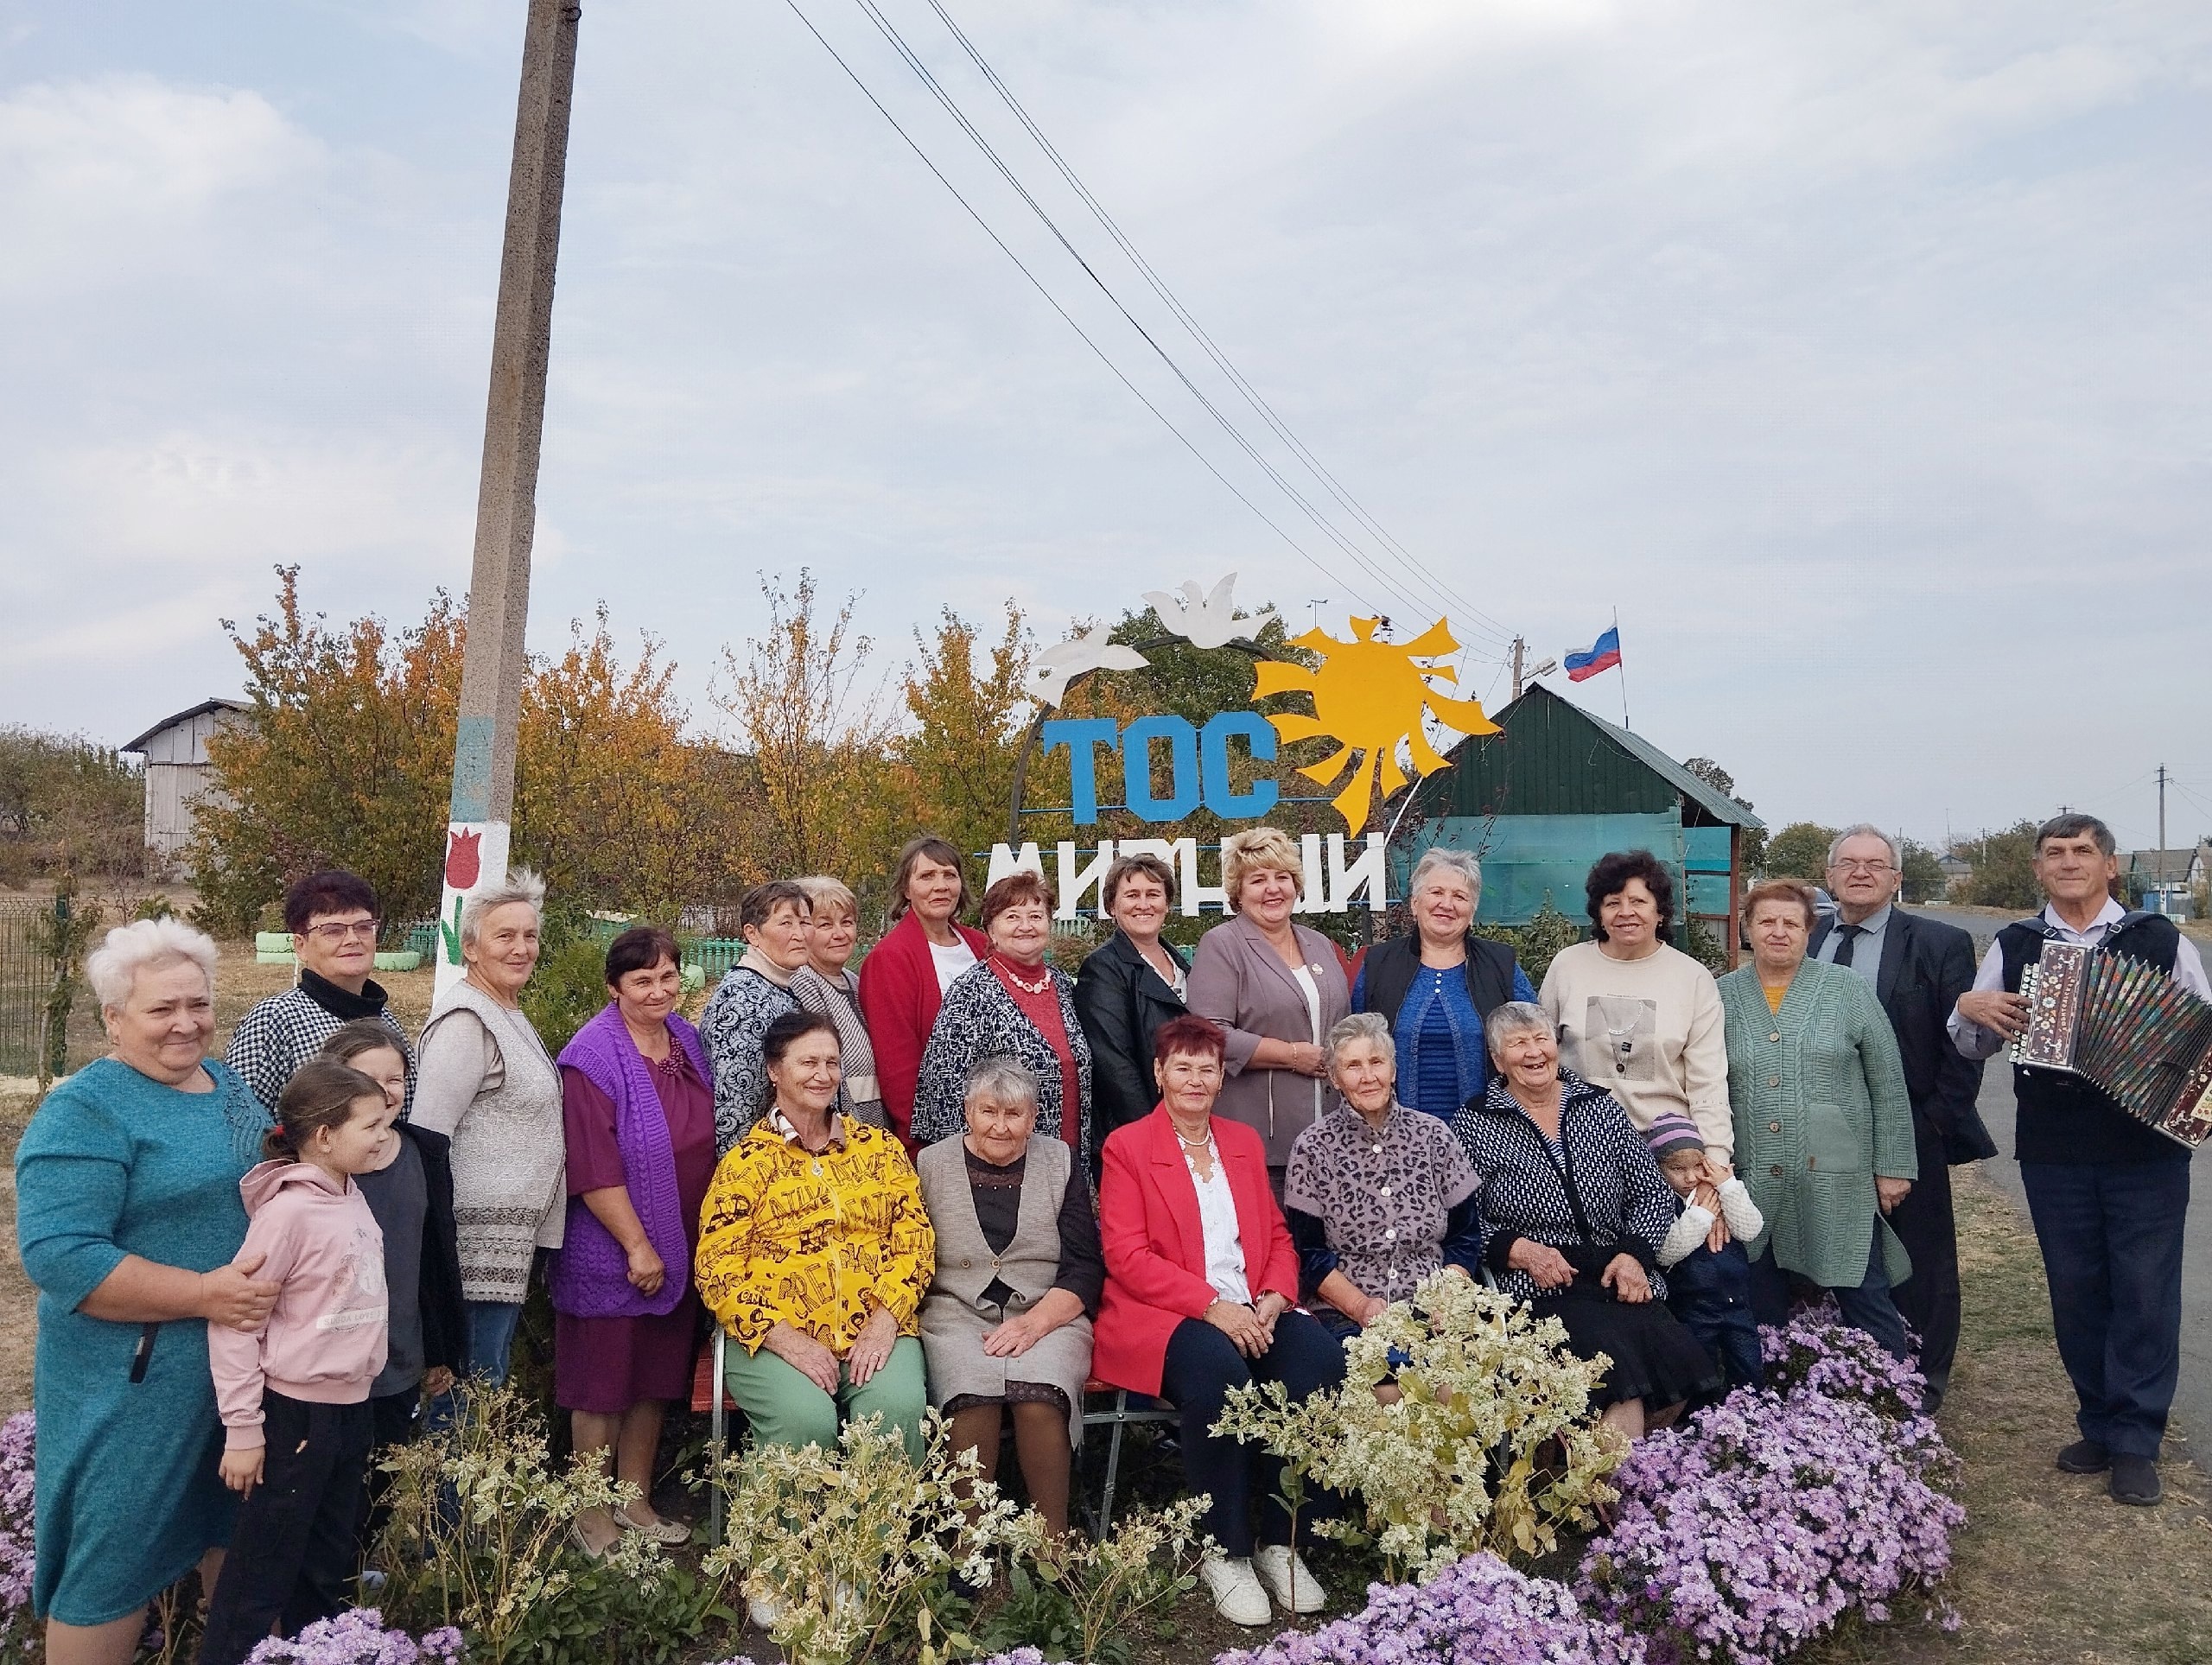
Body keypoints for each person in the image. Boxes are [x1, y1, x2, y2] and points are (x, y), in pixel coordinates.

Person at [13, 919, 275, 1665]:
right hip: (130, 1381)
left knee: (234, 1534)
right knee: (112, 1564)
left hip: (233, 1375)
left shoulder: (226, 1082)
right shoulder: (86, 1110)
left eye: (197, 1003)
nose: (186, 1023)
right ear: (113, 1018)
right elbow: (65, 1258)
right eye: (162, 1009)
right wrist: (205, 1294)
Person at [1949, 812, 2212, 1507]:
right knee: (2077, 1288)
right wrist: (1970, 1009)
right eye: (2056, 852)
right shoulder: (2017, 942)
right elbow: (1974, 1045)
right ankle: (2097, 1420)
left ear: (2111, 864)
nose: (2069, 862)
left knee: (2145, 1291)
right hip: (2055, 1151)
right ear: (2038, 868)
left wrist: (2191, 1105)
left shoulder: (2158, 940)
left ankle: (2135, 1440)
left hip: (2147, 1151)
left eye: (2083, 851)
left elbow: (2203, 1038)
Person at [1093, 1015, 1344, 1628]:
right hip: (1168, 1312)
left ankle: (1284, 1539)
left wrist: (1275, 1295)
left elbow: (1279, 1237)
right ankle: (1225, 1548)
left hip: (1255, 1304)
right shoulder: (1128, 1146)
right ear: (1159, 1073)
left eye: (1207, 1066)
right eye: (1182, 1066)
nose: (1196, 1078)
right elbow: (1126, 1255)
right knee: (1222, 1376)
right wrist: (1212, 1305)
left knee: (1321, 1366)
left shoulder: (1241, 1141)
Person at [200, 1061, 397, 1665]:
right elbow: (236, 1318)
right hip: (294, 1420)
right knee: (260, 1575)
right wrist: (242, 1427)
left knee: (327, 1567)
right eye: (372, 1124)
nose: (384, 1135)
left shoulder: (351, 1194)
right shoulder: (286, 1213)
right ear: (324, 1135)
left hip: (348, 1413)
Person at [1454, 1002, 1719, 1439]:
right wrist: (1519, 1251)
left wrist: (1633, 1255)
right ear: (1498, 1060)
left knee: (1682, 1373)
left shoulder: (1598, 1105)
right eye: (1517, 1044)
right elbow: (1461, 1218)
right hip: (1541, 1286)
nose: (1533, 1052)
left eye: (1541, 1039)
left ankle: (1596, 1474)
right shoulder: (1475, 1120)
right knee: (1625, 1389)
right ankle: (1606, 1498)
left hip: (1616, 1276)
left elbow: (1652, 1191)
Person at [696, 1010, 934, 1465]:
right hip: (775, 1335)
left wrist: (886, 1321)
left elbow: (915, 1240)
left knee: (895, 1410)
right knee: (805, 1424)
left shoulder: (879, 1149)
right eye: (808, 1063)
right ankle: (785, 1538)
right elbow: (717, 1271)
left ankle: (876, 1537)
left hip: (877, 1323)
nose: (823, 1075)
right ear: (774, 1070)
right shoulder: (745, 1163)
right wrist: (788, 1340)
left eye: (831, 1063)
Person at [1811, 824, 1993, 1408]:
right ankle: (1841, 1355)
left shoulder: (1941, 943)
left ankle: (1925, 1369)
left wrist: (1934, 1122)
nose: (1861, 872)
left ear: (1896, 878)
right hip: (1822, 1123)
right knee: (1832, 1242)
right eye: (1849, 862)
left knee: (1922, 1250)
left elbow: (1966, 1041)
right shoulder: (1807, 935)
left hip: (1913, 1122)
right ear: (1830, 874)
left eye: (1875, 863)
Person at [550, 927, 717, 1555]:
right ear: (614, 987)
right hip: (613, 1252)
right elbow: (594, 1164)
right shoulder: (592, 1056)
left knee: (653, 1378)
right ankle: (592, 1515)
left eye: (668, 976)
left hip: (680, 1246)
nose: (658, 990)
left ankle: (634, 1499)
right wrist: (637, 1245)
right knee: (601, 1385)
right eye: (642, 980)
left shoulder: (687, 1042)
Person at [1719, 879, 1918, 1363]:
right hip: (1750, 1170)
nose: (1779, 932)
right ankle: (1766, 1414)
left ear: (1811, 930)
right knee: (1759, 1296)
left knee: (1860, 1285)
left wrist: (1893, 1165)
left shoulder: (1845, 990)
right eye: (1767, 922)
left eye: (1792, 923)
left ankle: (1891, 1401)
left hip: (1835, 1171)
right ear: (1747, 929)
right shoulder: (1719, 994)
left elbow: (1888, 1083)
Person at [916, 1058, 1102, 1541]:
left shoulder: (1059, 1160)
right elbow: (914, 1254)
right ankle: (966, 1547)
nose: (1000, 1126)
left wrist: (1035, 1324)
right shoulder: (930, 1164)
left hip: (1050, 1311)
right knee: (970, 1395)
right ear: (967, 1111)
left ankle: (1052, 1543)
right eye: (988, 1112)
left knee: (1040, 1396)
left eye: (1014, 1114)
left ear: (1033, 1118)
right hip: (955, 1311)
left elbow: (1084, 1264)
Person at [411, 871, 564, 1389]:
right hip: (473, 1246)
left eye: (529, 936)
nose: (521, 949)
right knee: (468, 1389)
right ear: (471, 948)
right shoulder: (464, 1022)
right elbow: (428, 1140)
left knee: (485, 1382)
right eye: (505, 936)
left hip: (503, 1241)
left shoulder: (504, 1010)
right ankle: (451, 1475)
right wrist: (438, 1249)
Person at [315, 1021, 463, 1548]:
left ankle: (354, 1584)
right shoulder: (317, 1159)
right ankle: (326, 1594)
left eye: (395, 1078)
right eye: (365, 1078)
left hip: (398, 1347)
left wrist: (441, 1350)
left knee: (382, 1475)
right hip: (326, 1358)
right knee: (331, 1485)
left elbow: (436, 1260)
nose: (383, 1091)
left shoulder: (424, 1152)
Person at [1281, 1013, 1483, 1338]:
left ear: (1393, 1069)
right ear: (1334, 1078)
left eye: (1377, 1062)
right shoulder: (1313, 1148)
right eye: (1353, 1066)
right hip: (1346, 1312)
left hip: (1438, 1305)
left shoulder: (1433, 1135)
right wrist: (1360, 1306)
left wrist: (1445, 1297)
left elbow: (1465, 1236)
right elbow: (1309, 1254)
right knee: (1383, 1382)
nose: (1368, 1076)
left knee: (1460, 1379)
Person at [1540, 852, 1732, 1174]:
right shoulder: (1567, 966)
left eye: (1638, 901)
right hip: (1578, 1148)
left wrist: (1716, 1163)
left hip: (1666, 1154)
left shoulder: (1693, 978)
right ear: (1599, 914)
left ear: (1660, 912)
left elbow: (1708, 1083)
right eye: (1613, 903)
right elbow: (1542, 1053)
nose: (1626, 912)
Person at [1187, 826, 1350, 1179]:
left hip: (1336, 1136)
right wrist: (1293, 1056)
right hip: (1264, 1146)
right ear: (1239, 893)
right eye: (1258, 880)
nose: (1273, 889)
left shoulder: (1319, 943)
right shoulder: (1222, 945)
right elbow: (1209, 1034)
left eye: (1282, 877)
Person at [913, 872, 1093, 1162]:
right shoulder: (970, 992)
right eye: (1012, 917)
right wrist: (969, 1168)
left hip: (1070, 1165)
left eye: (1036, 916)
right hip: (1001, 1170)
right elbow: (944, 1090)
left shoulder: (1062, 986)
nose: (1026, 926)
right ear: (991, 931)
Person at [1351, 848, 1536, 1122]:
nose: (1447, 904)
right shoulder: (1379, 964)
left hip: (1487, 1136)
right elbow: (1354, 1046)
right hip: (1395, 1139)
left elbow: (1533, 1042)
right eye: (1436, 893)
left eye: (1459, 897)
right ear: (1415, 903)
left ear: (1472, 912)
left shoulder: (1501, 965)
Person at [226, 869, 413, 1114]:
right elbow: (240, 1122)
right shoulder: (274, 1020)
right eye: (333, 930)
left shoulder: (387, 1022)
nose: (353, 939)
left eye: (364, 927)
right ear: (301, 946)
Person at [859, 836, 991, 1152]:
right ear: (906, 889)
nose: (941, 885)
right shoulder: (890, 958)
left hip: (995, 1122)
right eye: (927, 876)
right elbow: (897, 1066)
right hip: (935, 1133)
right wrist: (922, 1142)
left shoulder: (982, 946)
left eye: (949, 875)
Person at [1074, 852, 1192, 1148]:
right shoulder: (1102, 968)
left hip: (1188, 1123)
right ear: (1113, 906)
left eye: (1153, 894)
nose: (1143, 904)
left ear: (1167, 904)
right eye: (1132, 895)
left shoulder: (1183, 966)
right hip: (1140, 1133)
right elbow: (1114, 1064)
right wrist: (1155, 1133)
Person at [1645, 1112, 1764, 1390]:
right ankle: (1702, 1424)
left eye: (1697, 1166)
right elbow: (1665, 1253)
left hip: (1738, 1301)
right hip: (1693, 1306)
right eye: (1677, 1169)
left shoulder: (1721, 1193)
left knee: (1749, 1366)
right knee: (1701, 1373)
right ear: (1658, 1167)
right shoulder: (1662, 1203)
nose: (1689, 1177)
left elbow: (1750, 1230)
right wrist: (1700, 1217)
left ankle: (1754, 1415)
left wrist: (1729, 1186)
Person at [700, 880, 812, 1153]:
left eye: (805, 922)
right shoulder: (742, 1002)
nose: (799, 934)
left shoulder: (778, 985)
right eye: (786, 923)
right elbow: (735, 1112)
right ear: (753, 934)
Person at [790, 874, 888, 1129]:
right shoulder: (804, 980)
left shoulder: (852, 980)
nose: (840, 933)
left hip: (874, 1119)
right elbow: (828, 1063)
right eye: (825, 925)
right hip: (843, 1125)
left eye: (847, 922)